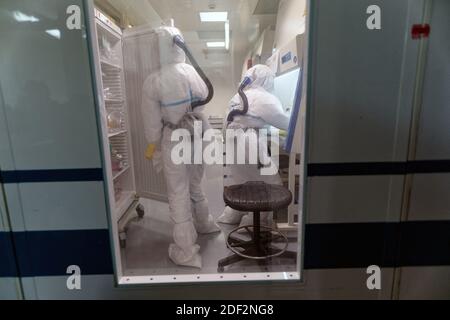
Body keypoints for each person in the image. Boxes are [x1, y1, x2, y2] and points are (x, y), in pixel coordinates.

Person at [141, 26, 220, 269]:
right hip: (198, 134)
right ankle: (205, 223)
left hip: (174, 137)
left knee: (178, 191)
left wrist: (152, 147)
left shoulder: (154, 80)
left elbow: (152, 122)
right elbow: (205, 96)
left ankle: (186, 250)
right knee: (196, 183)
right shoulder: (191, 72)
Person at [218, 64, 290, 228]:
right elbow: (284, 122)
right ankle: (252, 223)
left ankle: (234, 213)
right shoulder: (264, 97)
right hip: (248, 142)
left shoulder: (236, 97)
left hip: (232, 142)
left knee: (243, 181)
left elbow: (226, 123)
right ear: (267, 80)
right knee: (271, 184)